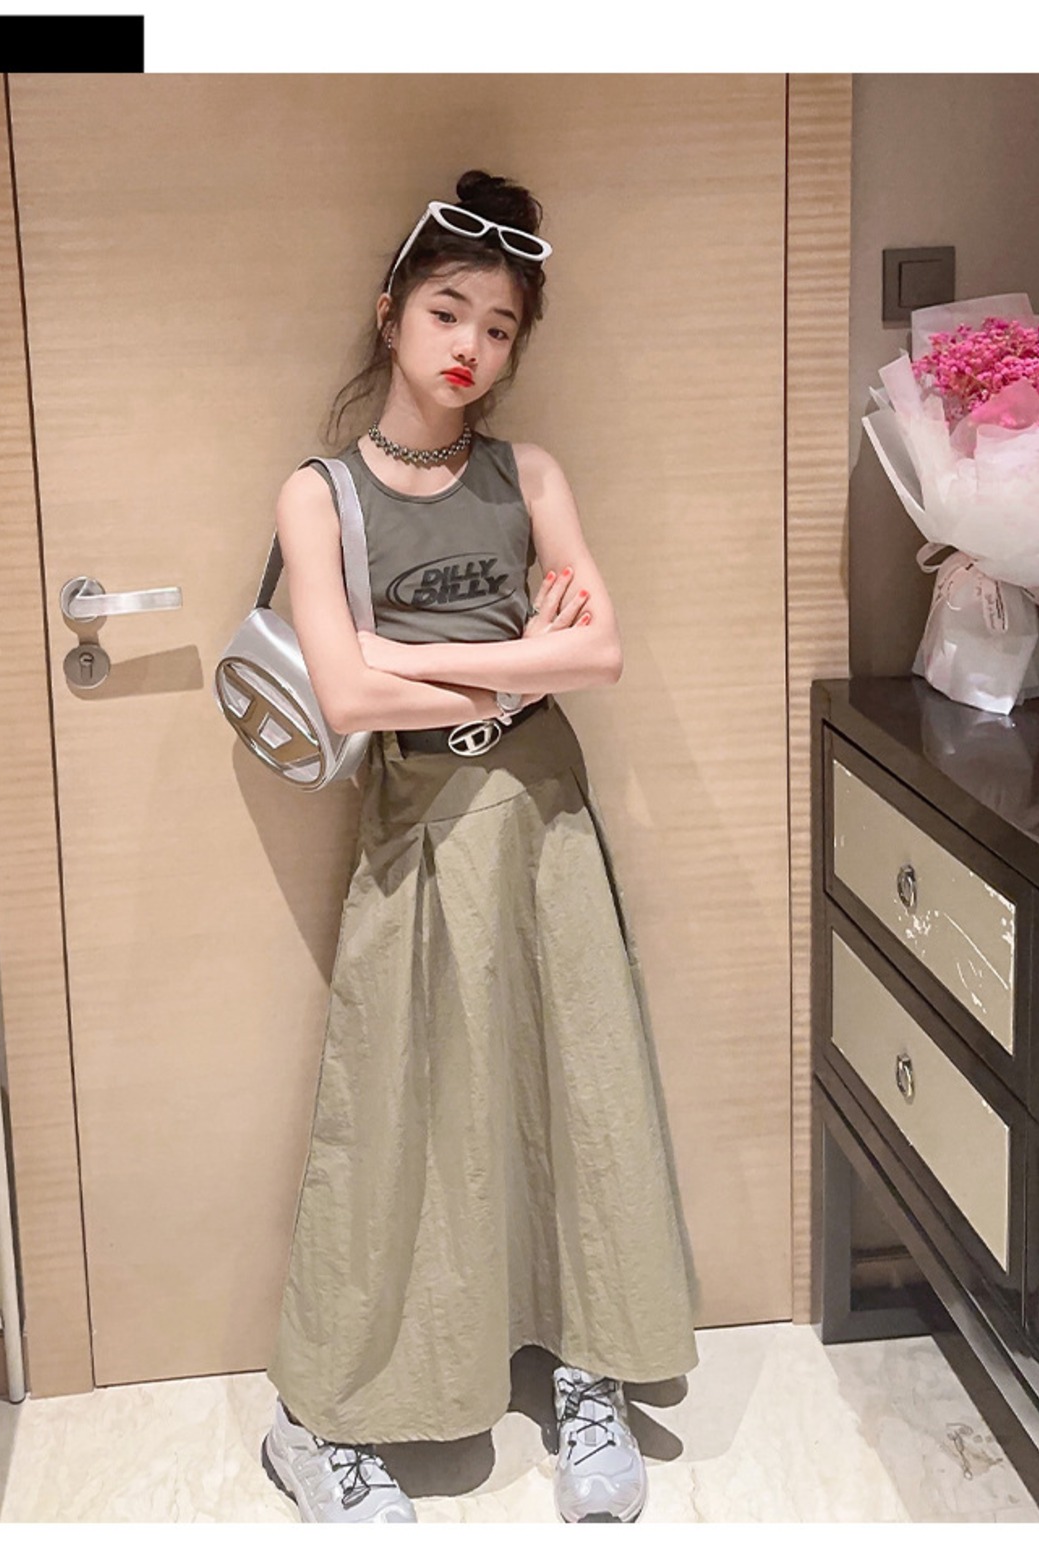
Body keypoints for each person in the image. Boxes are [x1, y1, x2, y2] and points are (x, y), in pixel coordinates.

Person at [259, 170, 699, 1524]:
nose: (470, 346)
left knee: (576, 1087)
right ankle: (322, 1418)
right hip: (420, 825)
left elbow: (602, 655)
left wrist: (421, 657)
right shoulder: (320, 496)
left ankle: (585, 1371)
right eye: (448, 311)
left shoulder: (530, 475)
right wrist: (520, 659)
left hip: (547, 814)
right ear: (390, 310)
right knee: (396, 1110)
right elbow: (346, 697)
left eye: (499, 327)